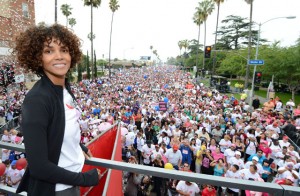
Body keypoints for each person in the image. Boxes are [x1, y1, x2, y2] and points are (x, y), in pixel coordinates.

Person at [13, 24, 100, 195]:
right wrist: (85, 178)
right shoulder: (37, 99)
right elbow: (39, 167)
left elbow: (58, 128)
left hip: (69, 183)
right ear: (38, 58)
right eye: (49, 51)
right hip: (55, 190)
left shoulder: (63, 89)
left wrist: (78, 145)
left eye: (64, 50)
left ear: (71, 54)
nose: (59, 57)